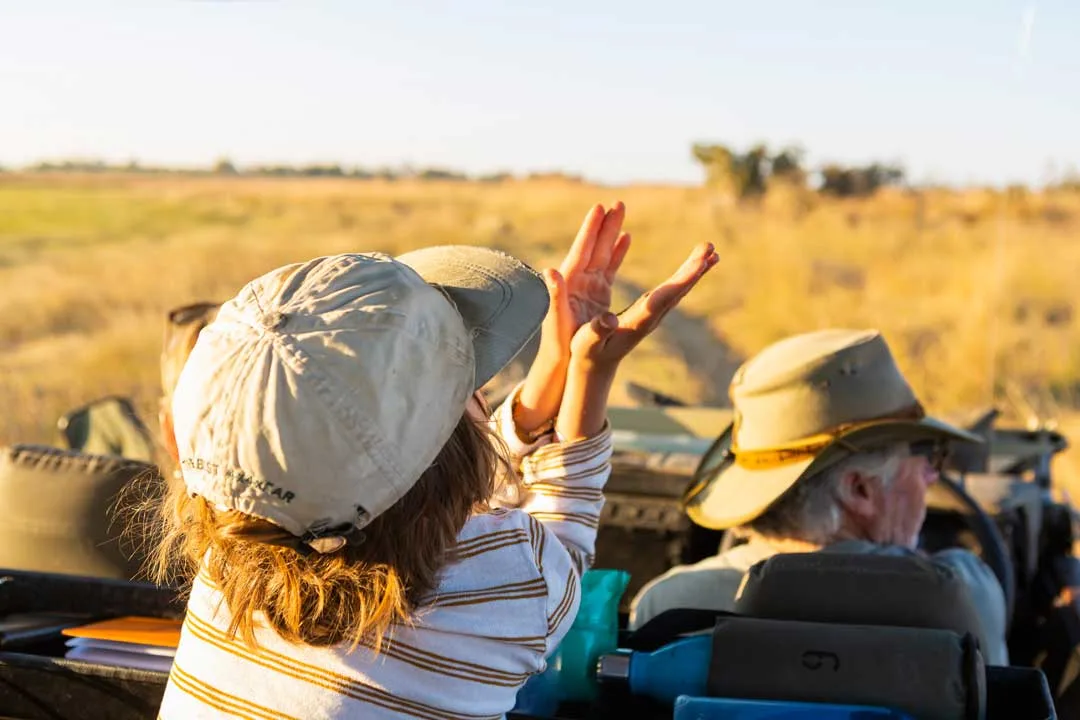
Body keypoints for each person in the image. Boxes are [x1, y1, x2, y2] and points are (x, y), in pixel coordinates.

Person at [150, 202, 718, 719]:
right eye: (471, 381)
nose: (485, 393)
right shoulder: (512, 584)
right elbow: (558, 547)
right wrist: (587, 370)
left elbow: (412, 487)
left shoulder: (228, 560)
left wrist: (554, 372)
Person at [629, 328, 1011, 666]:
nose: (932, 476)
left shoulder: (667, 602)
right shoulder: (961, 590)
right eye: (927, 455)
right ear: (859, 490)